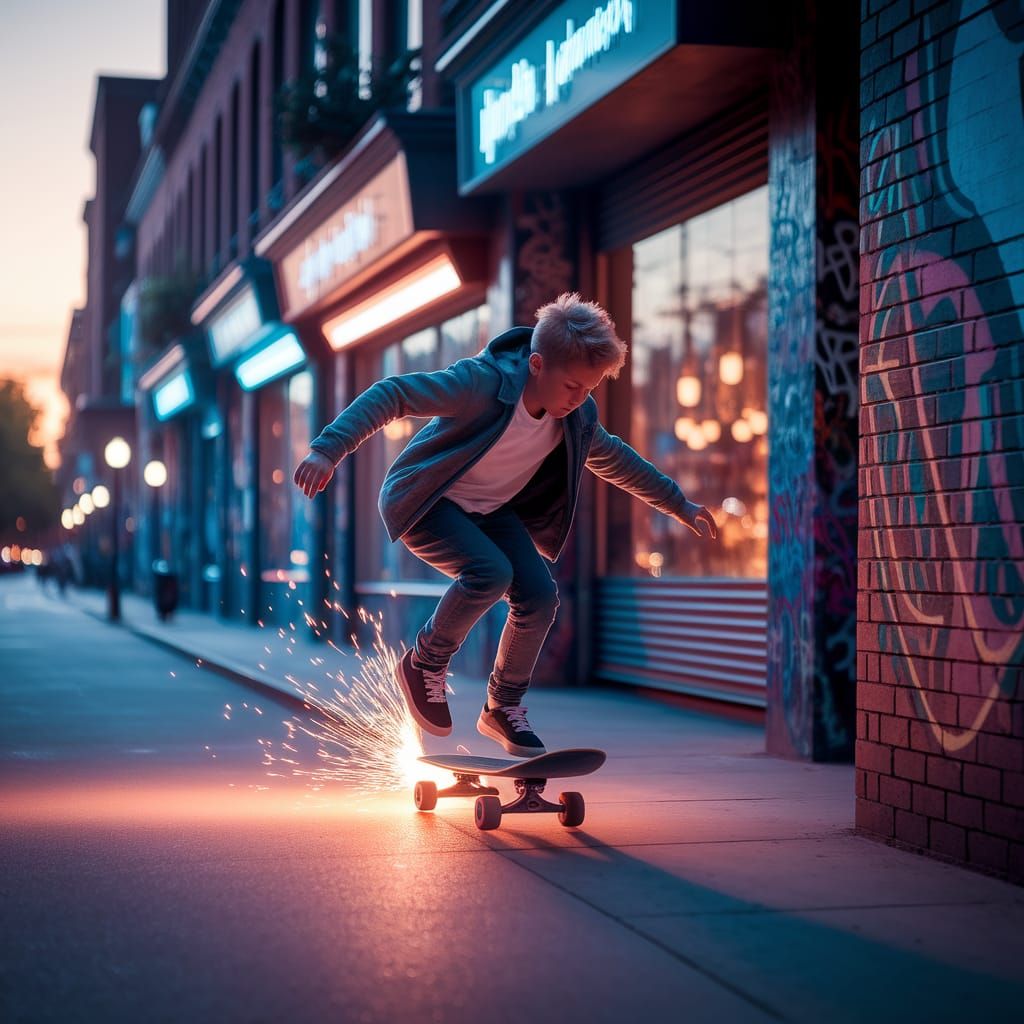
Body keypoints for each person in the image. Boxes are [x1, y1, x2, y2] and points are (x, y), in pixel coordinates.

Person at [294, 293, 717, 756]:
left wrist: (680, 505)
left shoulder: (576, 418)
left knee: (538, 594)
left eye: (589, 390)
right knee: (490, 573)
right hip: (426, 502)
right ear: (537, 364)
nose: (579, 399)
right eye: (572, 386)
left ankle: (502, 706)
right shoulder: (481, 383)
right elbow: (394, 393)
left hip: (491, 511)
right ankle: (424, 664)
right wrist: (327, 449)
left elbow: (617, 460)